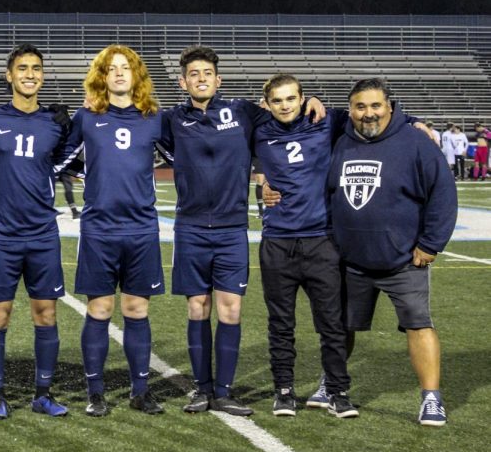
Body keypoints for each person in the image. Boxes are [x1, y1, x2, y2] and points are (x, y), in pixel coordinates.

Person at [160, 46, 324, 417]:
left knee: (230, 309)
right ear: (183, 81)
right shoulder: (170, 119)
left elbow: (287, 115)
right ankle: (201, 390)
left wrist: (313, 98)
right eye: (194, 74)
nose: (201, 79)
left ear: (218, 80)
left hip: (233, 228)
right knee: (198, 307)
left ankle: (225, 391)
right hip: (190, 227)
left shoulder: (242, 112)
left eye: (207, 73)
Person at [329, 78, 456, 427]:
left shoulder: (417, 142)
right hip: (352, 259)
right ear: (350, 110)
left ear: (390, 106)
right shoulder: (341, 142)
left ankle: (431, 398)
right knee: (341, 327)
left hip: (404, 260)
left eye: (375, 106)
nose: (368, 114)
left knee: (418, 324)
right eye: (360, 106)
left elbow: (443, 195)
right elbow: (328, 192)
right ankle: (333, 384)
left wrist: (431, 243)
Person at [56, 44, 165, 416]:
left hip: (141, 228)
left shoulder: (154, 118)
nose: (119, 73)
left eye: (126, 67)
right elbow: (61, 162)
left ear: (136, 75)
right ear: (101, 77)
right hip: (99, 229)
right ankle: (96, 392)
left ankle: (140, 390)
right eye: (111, 68)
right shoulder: (87, 117)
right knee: (100, 309)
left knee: (136, 309)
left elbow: (185, 156)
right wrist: (93, 174)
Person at [0, 44, 70, 419]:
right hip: (2, 235)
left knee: (45, 314)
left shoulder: (55, 122)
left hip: (43, 233)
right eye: (23, 68)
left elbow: (72, 157)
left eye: (36, 68)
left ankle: (42, 394)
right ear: (9, 75)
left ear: (42, 75)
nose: (30, 74)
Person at [254, 74, 359, 418]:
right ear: (266, 104)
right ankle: (284, 391)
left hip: (321, 240)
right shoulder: (255, 126)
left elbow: (371, 114)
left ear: (302, 99)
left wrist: (415, 122)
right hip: (277, 242)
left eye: (291, 99)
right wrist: (262, 180)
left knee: (332, 323)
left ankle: (338, 391)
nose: (285, 105)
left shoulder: (325, 121)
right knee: (281, 324)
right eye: (277, 100)